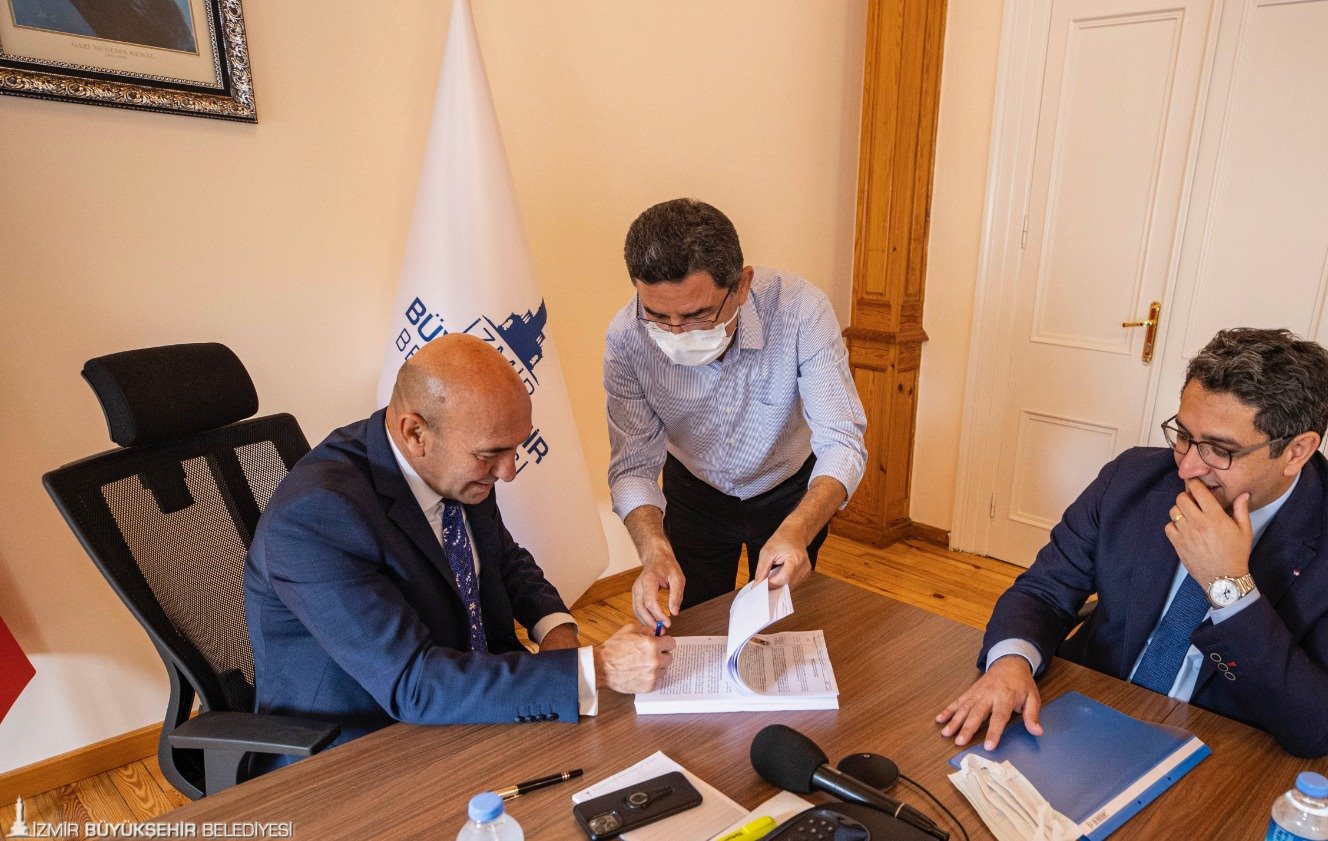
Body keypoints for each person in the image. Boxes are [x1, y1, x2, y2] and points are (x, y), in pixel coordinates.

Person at [936, 328, 1328, 758]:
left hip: (1224, 754)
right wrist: (1011, 662)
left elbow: (1323, 728)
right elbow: (1043, 590)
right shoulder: (1132, 478)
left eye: (1220, 450)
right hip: (1085, 714)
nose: (1186, 467)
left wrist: (1229, 588)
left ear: (1296, 451)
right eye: (1183, 435)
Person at [246, 334, 673, 761]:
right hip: (361, 748)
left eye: (516, 448)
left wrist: (557, 631)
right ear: (415, 433)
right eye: (491, 454)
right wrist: (600, 667)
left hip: (467, 706)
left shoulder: (455, 462)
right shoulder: (316, 516)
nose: (508, 472)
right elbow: (414, 684)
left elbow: (504, 559)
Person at [605, 198, 867, 627]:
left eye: (698, 315)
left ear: (741, 286)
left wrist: (799, 529)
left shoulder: (801, 310)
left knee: (782, 623)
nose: (676, 333)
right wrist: (653, 551)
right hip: (693, 492)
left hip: (788, 490)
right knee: (694, 622)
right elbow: (632, 465)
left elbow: (842, 440)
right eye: (657, 315)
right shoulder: (625, 339)